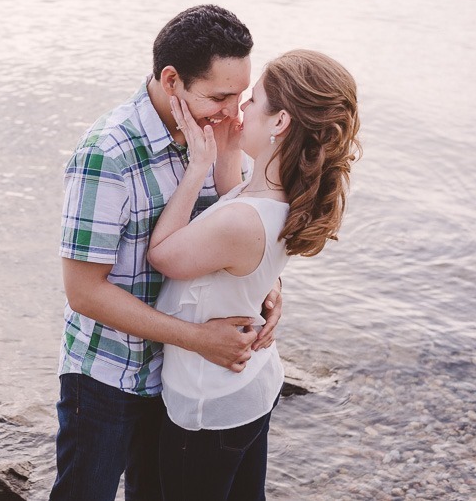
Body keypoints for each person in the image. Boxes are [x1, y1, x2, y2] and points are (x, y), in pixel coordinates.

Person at [51, 5, 284, 501]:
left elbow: (239, 228)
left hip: (179, 377)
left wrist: (269, 288)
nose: (233, 112)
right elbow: (84, 292)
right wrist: (199, 339)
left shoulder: (218, 135)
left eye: (241, 97)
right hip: (107, 374)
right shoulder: (106, 154)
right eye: (220, 96)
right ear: (172, 79)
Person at [148, 49, 361, 501]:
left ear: (280, 122)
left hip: (210, 404)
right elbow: (237, 201)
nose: (240, 107)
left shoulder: (244, 223)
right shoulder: (281, 191)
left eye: (254, 99)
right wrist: (227, 149)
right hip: (251, 386)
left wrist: (198, 165)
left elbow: (163, 255)